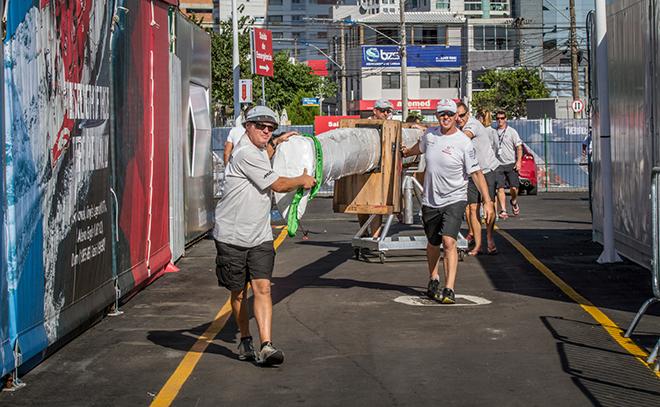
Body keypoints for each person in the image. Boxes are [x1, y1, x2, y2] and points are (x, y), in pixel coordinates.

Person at [213, 105, 316, 366]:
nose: (266, 131)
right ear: (247, 126)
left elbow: (267, 156)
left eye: (271, 128)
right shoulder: (246, 152)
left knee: (262, 288)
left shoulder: (259, 150)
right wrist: (303, 179)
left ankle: (266, 345)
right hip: (232, 235)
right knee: (238, 292)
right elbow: (278, 184)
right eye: (261, 126)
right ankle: (246, 338)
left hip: (259, 235)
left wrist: (278, 142)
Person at [402, 99, 495, 304]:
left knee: (449, 241)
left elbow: (477, 173)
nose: (446, 117)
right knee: (433, 242)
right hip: (431, 199)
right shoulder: (430, 136)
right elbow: (420, 147)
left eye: (450, 114)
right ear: (437, 116)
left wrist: (487, 201)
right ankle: (434, 277)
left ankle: (449, 288)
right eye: (442, 114)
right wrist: (407, 152)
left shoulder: (463, 142)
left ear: (456, 117)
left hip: (455, 198)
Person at [456, 103, 500, 256]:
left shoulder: (472, 124)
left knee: (489, 207)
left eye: (462, 115)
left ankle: (489, 238)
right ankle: (478, 244)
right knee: (471, 209)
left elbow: (465, 136)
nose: (459, 118)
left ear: (468, 114)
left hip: (487, 170)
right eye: (456, 115)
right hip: (472, 172)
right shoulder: (457, 127)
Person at [358, 98, 394, 238]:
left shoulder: (390, 125)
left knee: (377, 205)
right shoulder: (364, 125)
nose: (386, 113)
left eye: (388, 111)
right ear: (375, 111)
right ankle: (364, 233)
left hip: (381, 170)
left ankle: (374, 237)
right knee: (362, 205)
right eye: (383, 110)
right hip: (364, 169)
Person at [494, 111, 523, 219]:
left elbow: (519, 147)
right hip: (498, 164)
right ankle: (503, 210)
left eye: (502, 118)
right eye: (498, 118)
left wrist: (518, 161)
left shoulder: (512, 132)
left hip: (510, 163)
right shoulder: (494, 132)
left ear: (506, 119)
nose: (500, 120)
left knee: (514, 188)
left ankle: (514, 201)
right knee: (499, 188)